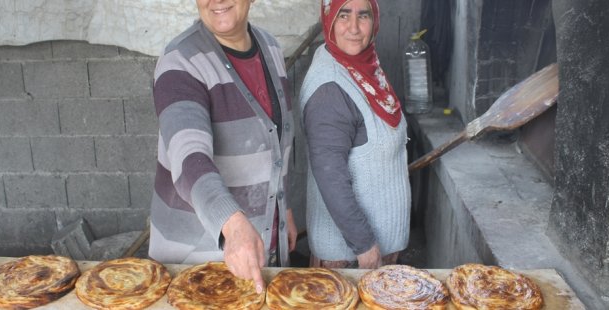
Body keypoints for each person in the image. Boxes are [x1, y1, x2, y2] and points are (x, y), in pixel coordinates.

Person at [148, 0, 297, 293]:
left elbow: (275, 144)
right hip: (196, 267)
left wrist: (282, 206)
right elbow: (189, 160)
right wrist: (232, 225)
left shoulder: (271, 49)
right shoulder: (179, 63)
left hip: (255, 254)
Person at [300, 0, 411, 269]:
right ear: (328, 20)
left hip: (374, 251)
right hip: (352, 259)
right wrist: (364, 246)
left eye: (363, 16)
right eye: (343, 15)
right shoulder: (330, 89)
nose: (354, 27)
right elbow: (331, 178)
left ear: (375, 22)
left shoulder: (363, 68)